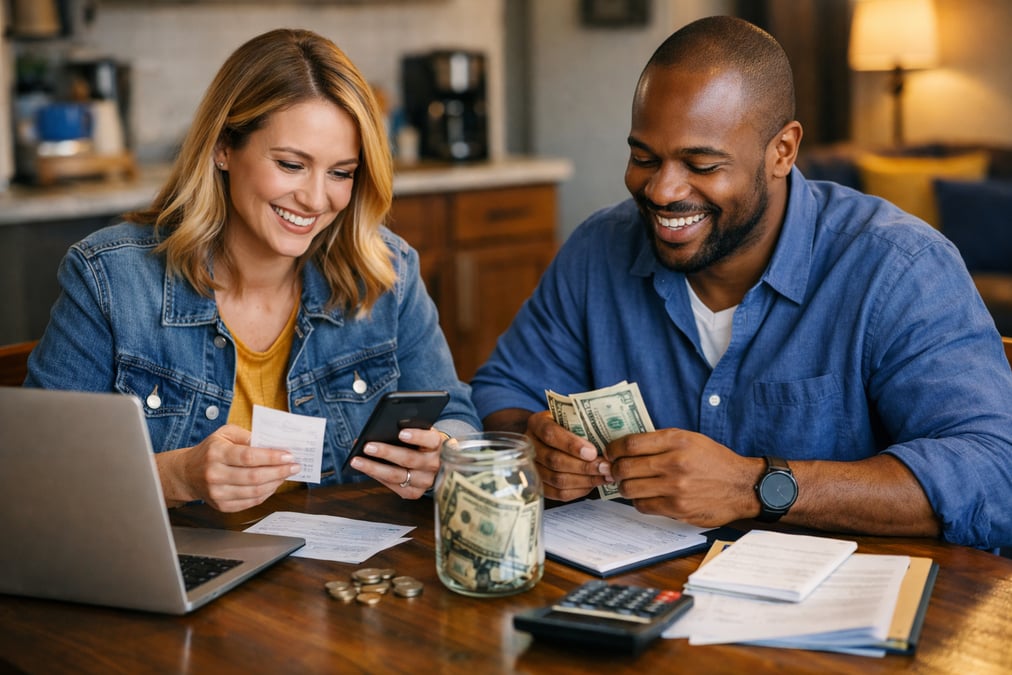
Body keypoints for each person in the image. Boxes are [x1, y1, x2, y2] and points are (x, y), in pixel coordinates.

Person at [471, 16, 1012, 550]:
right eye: (643, 157)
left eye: (702, 165)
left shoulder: (897, 267)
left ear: (783, 151)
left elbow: (994, 473)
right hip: (641, 598)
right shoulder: (599, 250)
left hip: (839, 617)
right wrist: (532, 446)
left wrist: (756, 485)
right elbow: (503, 392)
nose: (661, 191)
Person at [25, 28, 480, 512]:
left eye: (341, 173)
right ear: (223, 148)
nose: (315, 198)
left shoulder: (386, 271)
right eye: (290, 164)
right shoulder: (110, 279)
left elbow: (458, 417)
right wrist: (177, 475)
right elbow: (35, 469)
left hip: (348, 580)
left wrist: (444, 455)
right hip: (180, 575)